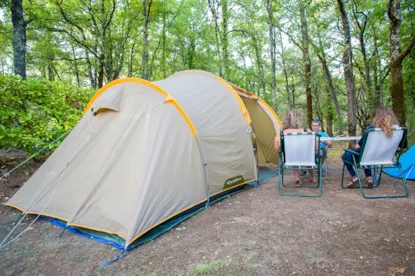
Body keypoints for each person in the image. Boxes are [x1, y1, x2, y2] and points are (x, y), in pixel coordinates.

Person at [343, 107, 407, 188]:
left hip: (368, 157)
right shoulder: (400, 130)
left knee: (347, 155)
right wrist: (392, 148)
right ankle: (369, 178)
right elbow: (404, 149)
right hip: (385, 158)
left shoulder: (371, 130)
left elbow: (358, 146)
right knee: (367, 155)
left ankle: (354, 176)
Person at [274, 109, 317, 186]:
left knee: (293, 155)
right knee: (306, 155)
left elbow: (277, 148)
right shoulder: (307, 131)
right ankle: (313, 177)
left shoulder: (282, 133)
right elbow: (316, 148)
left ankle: (297, 179)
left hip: (291, 159)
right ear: (299, 119)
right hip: (307, 158)